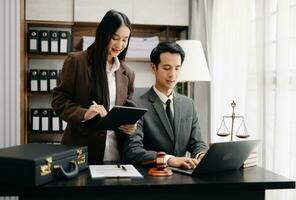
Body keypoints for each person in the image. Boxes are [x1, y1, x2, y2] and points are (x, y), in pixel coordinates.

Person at [52, 10, 136, 164]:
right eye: (115, 38)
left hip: (116, 155)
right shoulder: (77, 61)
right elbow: (59, 101)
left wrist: (130, 126)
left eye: (125, 39)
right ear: (104, 34)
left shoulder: (127, 73)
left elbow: (127, 109)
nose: (120, 45)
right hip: (80, 152)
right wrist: (85, 113)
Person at [122, 41, 208, 169]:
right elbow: (133, 151)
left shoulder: (188, 104)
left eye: (177, 68)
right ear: (153, 68)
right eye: (167, 68)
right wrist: (168, 159)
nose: (172, 74)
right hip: (151, 178)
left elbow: (197, 143)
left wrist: (201, 155)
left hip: (183, 177)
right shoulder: (136, 104)